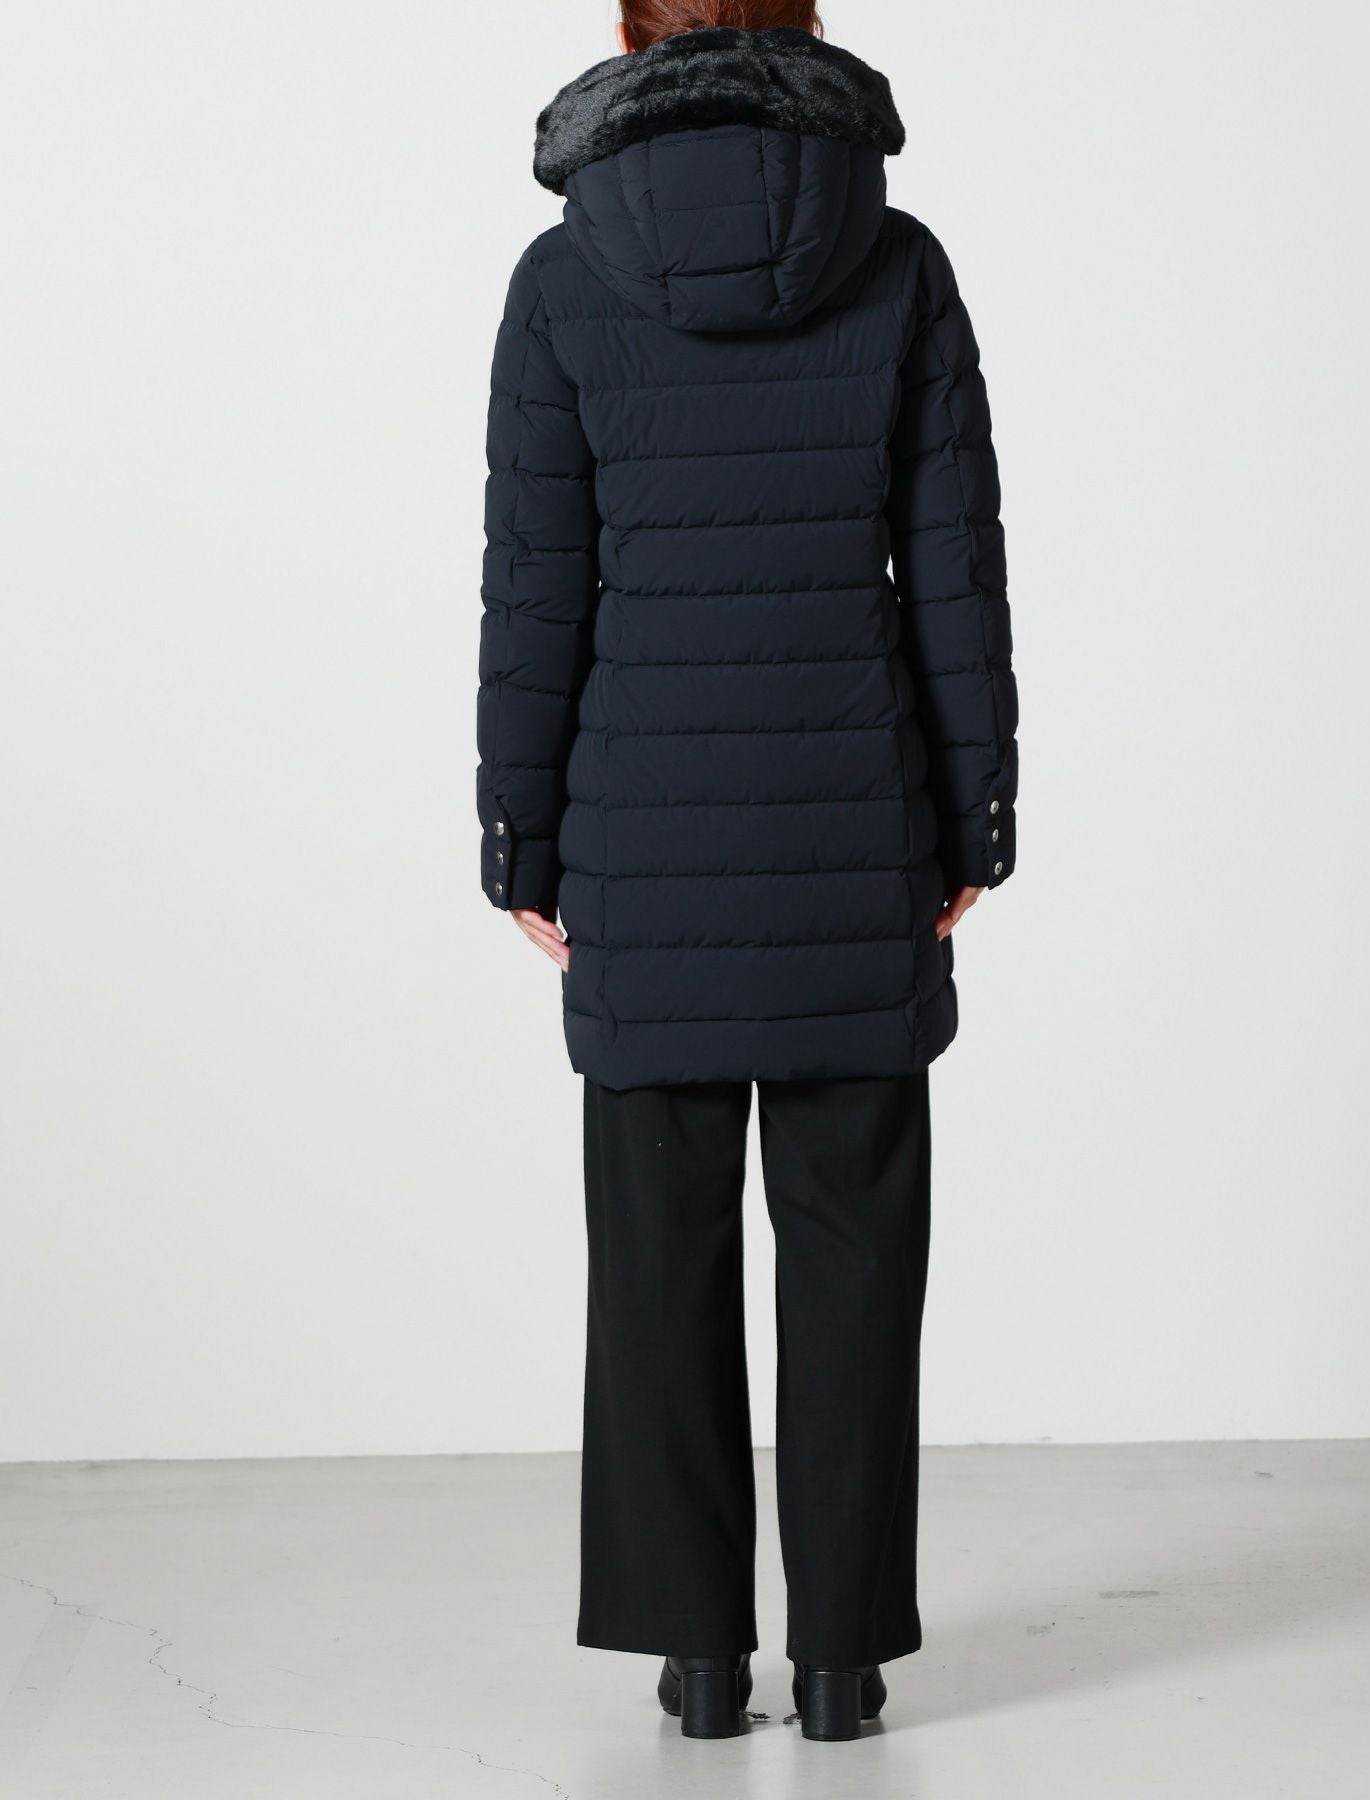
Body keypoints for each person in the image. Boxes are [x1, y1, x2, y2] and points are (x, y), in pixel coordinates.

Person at [475, 0, 1018, 1743]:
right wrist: (975, 812)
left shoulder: (563, 276)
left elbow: (537, 579)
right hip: (854, 818)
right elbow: (951, 561)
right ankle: (844, 1661)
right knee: (856, 1253)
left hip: (641, 829)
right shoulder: (898, 259)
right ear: (806, 32)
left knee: (656, 1259)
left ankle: (699, 1660)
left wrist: (518, 830)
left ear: (636, 44)